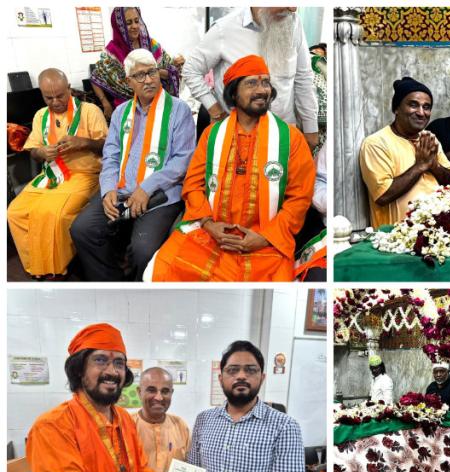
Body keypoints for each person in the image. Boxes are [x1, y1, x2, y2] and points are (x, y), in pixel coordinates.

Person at [147, 55, 315, 282]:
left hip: (265, 243)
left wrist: (265, 237)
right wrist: (208, 224)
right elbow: (193, 186)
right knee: (164, 268)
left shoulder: (291, 139)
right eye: (252, 83)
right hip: (211, 236)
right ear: (234, 92)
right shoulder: (212, 135)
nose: (261, 90)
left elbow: (300, 199)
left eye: (265, 82)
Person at [71, 49, 194, 281]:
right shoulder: (120, 112)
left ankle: (139, 285)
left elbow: (183, 160)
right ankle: (112, 282)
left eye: (152, 72)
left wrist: (146, 188)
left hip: (160, 195)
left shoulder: (179, 110)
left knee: (143, 251)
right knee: (82, 230)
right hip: (120, 189)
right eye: (140, 75)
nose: (148, 80)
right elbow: (110, 155)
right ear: (129, 81)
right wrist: (108, 189)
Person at [8, 68, 107, 280]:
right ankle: (36, 262)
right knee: (14, 212)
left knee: (52, 212)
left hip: (85, 175)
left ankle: (55, 267)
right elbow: (33, 153)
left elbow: (108, 147)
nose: (55, 102)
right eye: (48, 97)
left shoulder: (90, 111)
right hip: (50, 175)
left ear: (69, 89)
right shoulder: (40, 116)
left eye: (60, 95)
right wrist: (41, 152)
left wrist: (84, 142)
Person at [26, 323, 160, 472]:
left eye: (119, 363)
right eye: (100, 360)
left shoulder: (124, 418)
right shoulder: (52, 426)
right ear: (79, 370)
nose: (112, 371)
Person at [183, 7, 319, 150]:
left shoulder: (293, 22)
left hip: (283, 135)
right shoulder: (224, 29)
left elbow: (303, 78)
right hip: (237, 138)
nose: (293, 8)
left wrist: (311, 127)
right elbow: (191, 70)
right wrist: (216, 111)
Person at [189, 341, 304, 472]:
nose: (241, 376)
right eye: (232, 370)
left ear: (262, 378)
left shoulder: (285, 426)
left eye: (250, 370)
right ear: (220, 379)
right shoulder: (203, 419)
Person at [359, 77, 450, 228]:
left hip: (438, 232)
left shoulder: (429, 139)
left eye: (426, 107)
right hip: (396, 238)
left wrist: (434, 166)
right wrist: (420, 166)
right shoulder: (376, 143)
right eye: (413, 105)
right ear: (396, 109)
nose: (421, 112)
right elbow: (383, 195)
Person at [91, 7, 183, 120]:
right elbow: (96, 77)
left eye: (136, 20)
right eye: (128, 23)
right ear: (118, 27)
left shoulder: (151, 44)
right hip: (128, 109)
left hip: (157, 104)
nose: (134, 26)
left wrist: (171, 67)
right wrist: (105, 102)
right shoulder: (112, 52)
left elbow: (170, 70)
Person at [131, 367, 191, 472]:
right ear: (139, 392)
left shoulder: (180, 425)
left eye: (165, 391)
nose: (159, 397)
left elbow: (189, 467)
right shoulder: (126, 425)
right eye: (151, 390)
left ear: (171, 393)